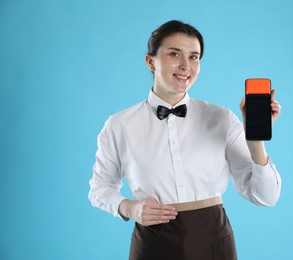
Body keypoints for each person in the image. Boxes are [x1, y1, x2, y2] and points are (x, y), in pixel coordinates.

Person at [88, 20, 282, 260]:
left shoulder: (221, 118)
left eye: (194, 57)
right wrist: (130, 208)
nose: (185, 66)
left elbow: (265, 197)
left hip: (214, 242)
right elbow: (99, 188)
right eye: (174, 54)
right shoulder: (119, 125)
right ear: (151, 61)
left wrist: (256, 141)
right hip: (152, 243)